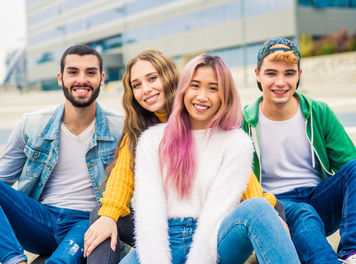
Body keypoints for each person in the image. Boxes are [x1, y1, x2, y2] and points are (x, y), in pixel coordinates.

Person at [83, 50, 284, 263]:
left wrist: (264, 207)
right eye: (137, 85)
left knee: (273, 206)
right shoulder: (139, 132)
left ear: (172, 79)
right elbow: (121, 180)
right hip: (164, 223)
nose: (146, 89)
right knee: (101, 214)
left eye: (152, 78)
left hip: (211, 219)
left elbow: (237, 174)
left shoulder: (200, 112)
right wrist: (108, 215)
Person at [241, 37, 356, 264]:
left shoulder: (318, 113)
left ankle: (352, 254)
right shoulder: (244, 122)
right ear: (257, 74)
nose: (280, 82)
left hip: (319, 197)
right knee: (304, 215)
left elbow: (351, 164)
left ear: (299, 74)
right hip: (277, 206)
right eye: (271, 73)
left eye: (289, 73)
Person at [0, 44, 124, 264]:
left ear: (102, 78)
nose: (82, 80)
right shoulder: (32, 124)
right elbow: (3, 181)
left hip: (86, 222)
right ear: (60, 78)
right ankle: (14, 260)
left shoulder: (120, 128)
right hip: (39, 219)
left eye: (91, 72)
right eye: (73, 72)